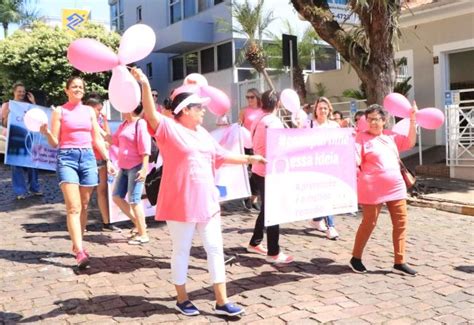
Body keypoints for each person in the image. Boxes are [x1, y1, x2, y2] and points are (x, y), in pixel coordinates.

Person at [132, 67, 265, 317]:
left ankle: (222, 301)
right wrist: (145, 85)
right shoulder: (169, 129)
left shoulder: (203, 133)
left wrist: (252, 159)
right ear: (185, 111)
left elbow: (222, 156)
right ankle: (182, 299)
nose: (204, 110)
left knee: (215, 248)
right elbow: (151, 115)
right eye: (199, 107)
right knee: (181, 250)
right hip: (180, 202)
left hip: (207, 201)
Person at [40, 76, 116, 269]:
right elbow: (55, 142)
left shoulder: (90, 111)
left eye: (80, 87)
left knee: (84, 205)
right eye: (74, 86)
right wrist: (47, 133)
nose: (78, 89)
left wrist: (108, 159)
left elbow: (97, 138)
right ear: (66, 90)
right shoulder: (60, 111)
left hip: (89, 157)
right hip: (67, 158)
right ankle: (81, 252)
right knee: (73, 207)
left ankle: (77, 243)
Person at [350, 104, 418, 276]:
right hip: (371, 188)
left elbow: (410, 142)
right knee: (369, 223)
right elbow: (355, 158)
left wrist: (412, 120)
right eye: (369, 119)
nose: (373, 123)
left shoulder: (390, 137)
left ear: (384, 120)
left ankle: (399, 261)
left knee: (401, 222)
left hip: (395, 186)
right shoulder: (361, 138)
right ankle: (356, 258)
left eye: (376, 119)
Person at [247, 90, 294, 264]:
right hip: (270, 171)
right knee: (274, 211)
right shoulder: (274, 122)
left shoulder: (258, 118)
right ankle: (273, 252)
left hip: (259, 168)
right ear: (278, 104)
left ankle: (255, 242)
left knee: (267, 208)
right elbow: (280, 148)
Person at [111, 104, 151, 245]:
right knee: (116, 196)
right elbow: (113, 140)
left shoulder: (140, 123)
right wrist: (99, 124)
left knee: (134, 200)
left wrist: (144, 168)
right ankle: (139, 224)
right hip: (124, 167)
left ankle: (143, 234)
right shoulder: (124, 124)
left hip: (136, 166)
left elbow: (145, 147)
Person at [84, 95, 121, 233]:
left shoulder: (98, 121)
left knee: (102, 191)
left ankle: (107, 222)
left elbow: (108, 138)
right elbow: (94, 140)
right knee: (86, 193)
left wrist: (104, 120)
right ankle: (82, 222)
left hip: (101, 158)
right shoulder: (84, 122)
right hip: (89, 158)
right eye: (98, 110)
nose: (100, 112)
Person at [1, 82, 42, 200]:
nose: (22, 93)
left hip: (29, 138)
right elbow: (4, 124)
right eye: (19, 91)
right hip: (14, 138)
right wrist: (7, 115)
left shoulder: (28, 105)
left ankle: (34, 188)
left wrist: (33, 102)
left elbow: (37, 117)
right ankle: (20, 191)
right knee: (16, 165)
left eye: (23, 91)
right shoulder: (7, 105)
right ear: (14, 92)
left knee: (32, 165)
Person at [308, 97, 340, 240]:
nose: (322, 111)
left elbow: (341, 143)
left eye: (325, 108)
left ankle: (319, 221)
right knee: (323, 195)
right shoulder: (309, 124)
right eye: (320, 108)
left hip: (330, 165)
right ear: (315, 110)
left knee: (327, 195)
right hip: (314, 166)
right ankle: (329, 225)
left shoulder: (334, 126)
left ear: (329, 110)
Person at [238, 88, 263, 210]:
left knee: (257, 171)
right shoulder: (244, 110)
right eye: (247, 97)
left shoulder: (263, 110)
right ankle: (251, 196)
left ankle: (253, 197)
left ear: (257, 97)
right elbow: (239, 125)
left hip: (259, 143)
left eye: (251, 97)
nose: (249, 100)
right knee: (252, 171)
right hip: (247, 144)